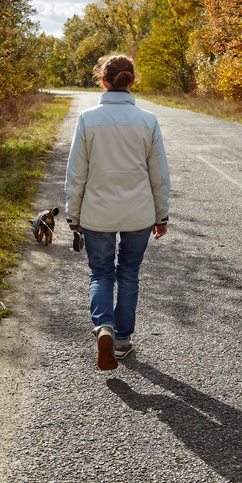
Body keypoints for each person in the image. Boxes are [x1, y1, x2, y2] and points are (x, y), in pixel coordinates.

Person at [65, 54, 170, 371]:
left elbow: (76, 174)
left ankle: (104, 327)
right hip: (139, 214)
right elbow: (159, 175)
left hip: (97, 213)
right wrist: (161, 215)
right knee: (128, 274)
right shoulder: (148, 120)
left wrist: (73, 215)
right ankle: (122, 341)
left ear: (103, 80)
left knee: (101, 274)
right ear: (132, 81)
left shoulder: (87, 119)